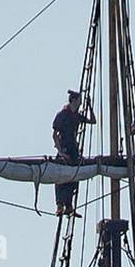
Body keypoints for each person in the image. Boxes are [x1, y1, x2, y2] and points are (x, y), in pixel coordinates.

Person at [52, 89, 94, 217]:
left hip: (73, 149)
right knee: (60, 176)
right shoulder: (62, 115)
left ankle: (69, 206)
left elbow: (93, 121)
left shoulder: (77, 115)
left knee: (74, 176)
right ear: (74, 100)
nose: (81, 103)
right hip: (64, 148)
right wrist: (60, 152)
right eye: (80, 101)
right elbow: (54, 135)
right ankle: (60, 205)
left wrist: (90, 106)